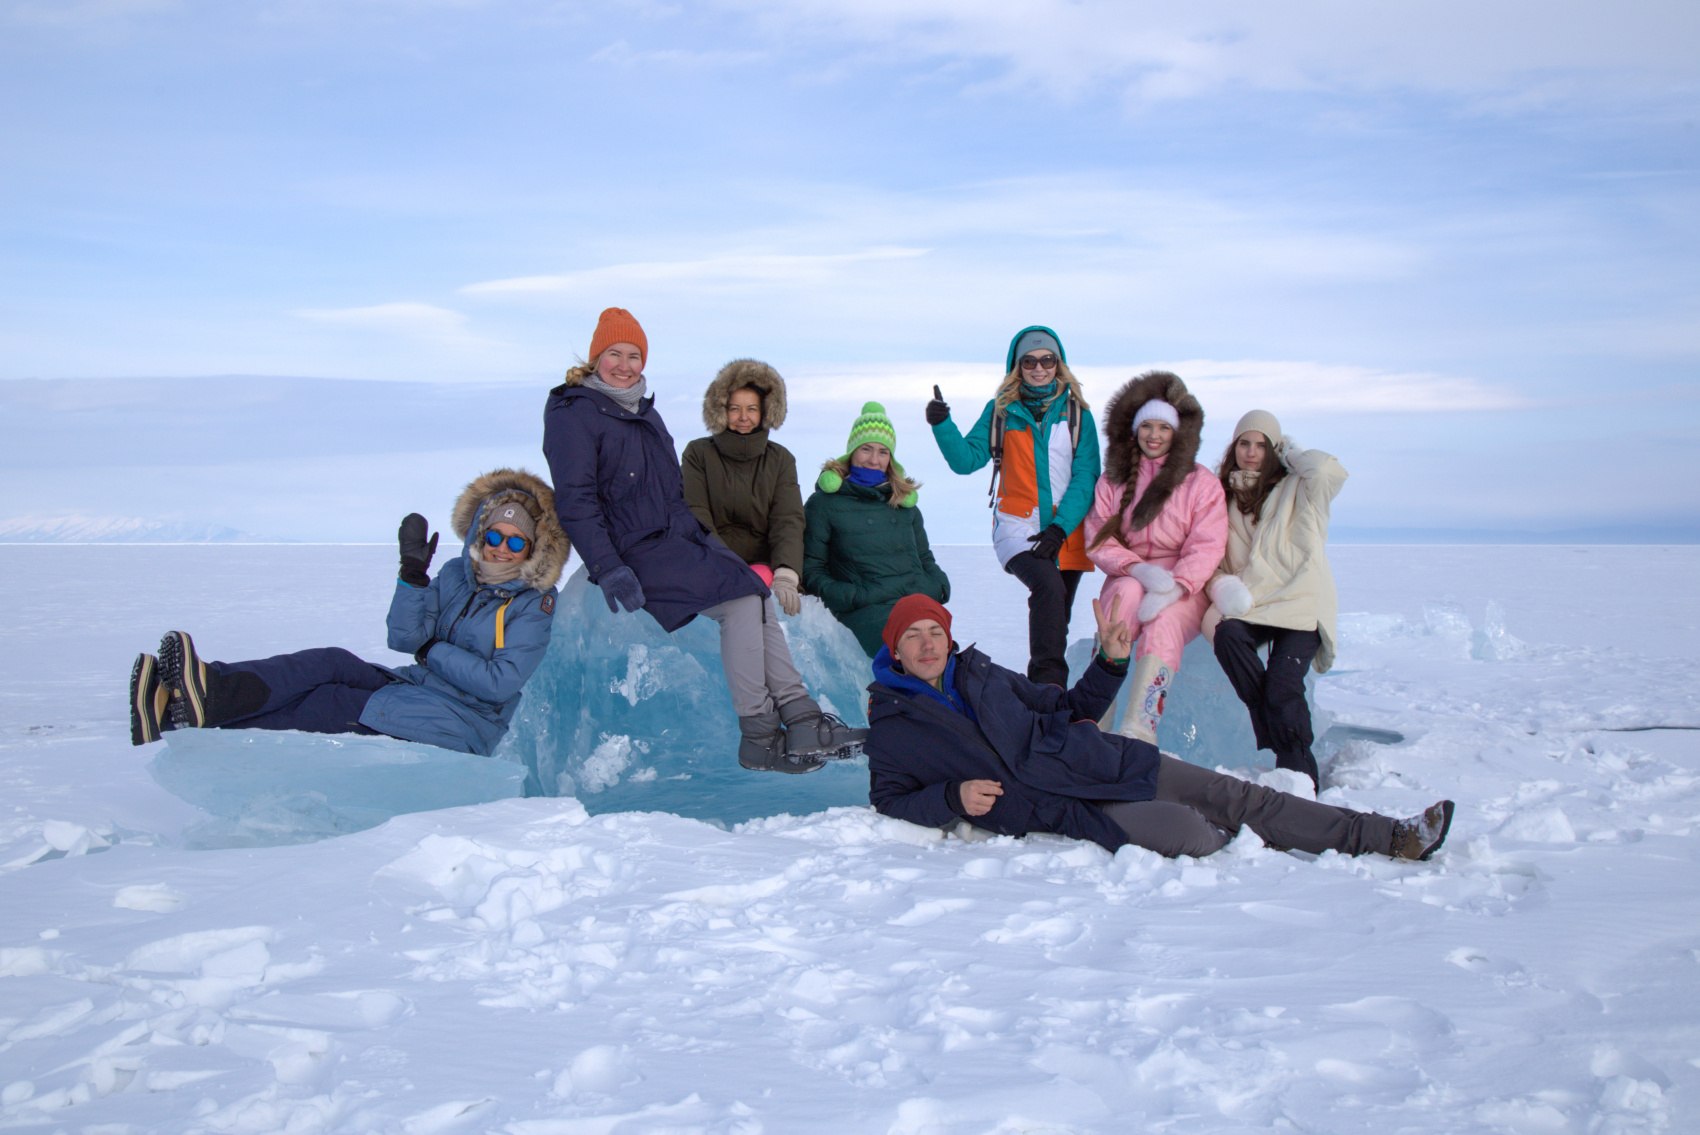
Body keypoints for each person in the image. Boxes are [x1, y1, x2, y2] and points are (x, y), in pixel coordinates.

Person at [865, 593, 1455, 861]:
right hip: (1063, 805)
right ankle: (1280, 845)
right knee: (1196, 834)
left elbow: (1068, 709)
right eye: (912, 636)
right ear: (895, 649)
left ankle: (1388, 837)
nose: (926, 644)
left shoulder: (982, 674)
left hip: (1104, 760)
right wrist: (952, 796)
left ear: (948, 636)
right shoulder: (895, 723)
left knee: (1239, 796)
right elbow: (889, 796)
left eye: (934, 631)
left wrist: (1111, 663)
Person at [542, 308, 863, 774]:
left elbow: (675, 500)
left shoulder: (645, 415)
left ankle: (802, 717)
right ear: (596, 358)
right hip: (632, 548)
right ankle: (758, 735)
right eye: (615, 354)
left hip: (674, 540)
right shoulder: (574, 413)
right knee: (737, 603)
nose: (625, 365)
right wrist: (607, 566)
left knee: (753, 590)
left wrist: (708, 546)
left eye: (634, 355)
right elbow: (576, 501)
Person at [127, 468, 569, 757]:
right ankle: (207, 688)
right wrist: (412, 577)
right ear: (481, 531)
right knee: (332, 662)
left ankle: (179, 717)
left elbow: (498, 684)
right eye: (495, 535)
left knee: (329, 700)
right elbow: (403, 638)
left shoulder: (533, 605)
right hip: (419, 686)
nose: (501, 549)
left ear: (533, 549)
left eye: (516, 542)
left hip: (463, 719)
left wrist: (432, 649)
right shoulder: (458, 574)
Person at [926, 326, 1100, 687]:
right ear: (1017, 366)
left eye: (1047, 360)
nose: (1039, 368)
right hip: (1017, 527)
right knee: (1048, 589)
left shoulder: (1078, 414)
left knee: (1058, 615)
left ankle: (1044, 698)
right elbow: (966, 460)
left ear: (1059, 363)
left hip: (1065, 531)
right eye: (1030, 361)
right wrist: (942, 425)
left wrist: (1059, 528)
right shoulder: (1001, 411)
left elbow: (1086, 477)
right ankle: (1047, 693)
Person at [1201, 410, 1347, 790]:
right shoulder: (1221, 497)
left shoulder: (1300, 488)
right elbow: (1208, 559)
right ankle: (1267, 719)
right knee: (1227, 635)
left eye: (1262, 445)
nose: (1251, 452)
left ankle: (1299, 777)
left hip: (1301, 602)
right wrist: (1224, 588)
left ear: (1275, 449)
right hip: (1255, 604)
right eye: (1244, 443)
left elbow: (1329, 471)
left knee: (1283, 684)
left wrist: (1292, 454)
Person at [1083, 370, 1227, 743]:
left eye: (1163, 427)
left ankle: (1139, 727)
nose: (1154, 435)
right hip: (1130, 573)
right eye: (1147, 426)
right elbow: (1099, 538)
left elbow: (1207, 543)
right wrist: (1136, 569)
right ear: (1135, 430)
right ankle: (1093, 718)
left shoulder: (1199, 482)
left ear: (1176, 432)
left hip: (1185, 586)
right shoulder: (1114, 480)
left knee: (1163, 624)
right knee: (1124, 601)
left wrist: (1177, 585)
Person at [803, 401, 950, 657]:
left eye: (883, 452)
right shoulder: (824, 504)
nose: (874, 460)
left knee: (947, 660)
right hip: (867, 609)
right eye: (866, 449)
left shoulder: (904, 504)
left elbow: (925, 559)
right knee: (911, 656)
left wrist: (936, 585)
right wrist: (852, 596)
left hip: (917, 602)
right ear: (851, 452)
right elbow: (811, 570)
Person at [680, 357, 806, 617]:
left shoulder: (780, 459)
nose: (743, 417)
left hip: (764, 566)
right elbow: (696, 513)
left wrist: (786, 573)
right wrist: (721, 566)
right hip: (713, 564)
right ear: (721, 410)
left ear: (765, 412)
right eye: (735, 409)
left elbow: (788, 520)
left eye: (752, 409)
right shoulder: (698, 453)